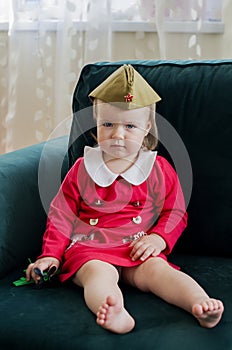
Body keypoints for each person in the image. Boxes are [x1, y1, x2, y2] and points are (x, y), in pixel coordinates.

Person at [26, 65, 224, 334]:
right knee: (98, 274)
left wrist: (158, 238)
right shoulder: (83, 168)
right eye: (108, 124)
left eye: (130, 126)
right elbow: (61, 216)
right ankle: (113, 310)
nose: (118, 134)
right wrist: (50, 256)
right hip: (90, 247)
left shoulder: (158, 168)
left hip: (136, 244)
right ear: (96, 126)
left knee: (159, 272)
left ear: (147, 129)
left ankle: (200, 304)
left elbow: (175, 212)